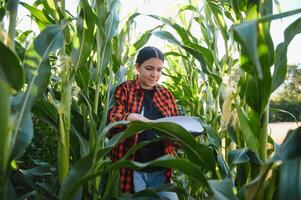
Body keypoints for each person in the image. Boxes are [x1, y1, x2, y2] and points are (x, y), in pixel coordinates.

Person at [108, 46, 179, 199]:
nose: (155, 74)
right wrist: (130, 116)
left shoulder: (166, 95)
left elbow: (176, 129)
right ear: (137, 67)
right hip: (133, 169)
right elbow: (113, 119)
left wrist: (181, 136)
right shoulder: (125, 90)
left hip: (161, 169)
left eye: (159, 70)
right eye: (149, 68)